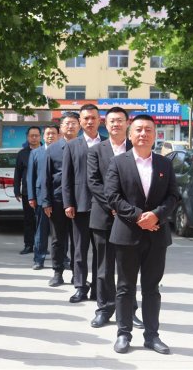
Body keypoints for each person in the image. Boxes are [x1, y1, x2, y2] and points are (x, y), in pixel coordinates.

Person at [105, 114, 179, 355]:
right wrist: (139, 217)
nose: (143, 134)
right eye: (138, 129)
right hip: (127, 234)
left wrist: (156, 215)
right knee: (125, 287)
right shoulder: (118, 162)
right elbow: (112, 196)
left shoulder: (164, 163)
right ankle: (123, 334)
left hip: (157, 236)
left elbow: (174, 196)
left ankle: (152, 336)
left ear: (155, 135)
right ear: (130, 134)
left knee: (152, 288)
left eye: (148, 129)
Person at [87, 106, 144, 330]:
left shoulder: (136, 147)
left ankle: (129, 311)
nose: (116, 124)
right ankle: (104, 309)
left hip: (129, 218)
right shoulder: (96, 150)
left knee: (128, 268)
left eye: (120, 120)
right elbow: (93, 182)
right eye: (112, 121)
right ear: (106, 123)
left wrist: (125, 210)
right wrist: (113, 206)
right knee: (104, 268)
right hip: (103, 216)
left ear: (127, 123)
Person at [62, 103, 104, 303]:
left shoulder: (107, 144)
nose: (89, 121)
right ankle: (80, 286)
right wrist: (68, 203)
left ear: (99, 120)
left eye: (93, 118)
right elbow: (66, 177)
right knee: (79, 249)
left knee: (100, 250)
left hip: (102, 206)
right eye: (86, 118)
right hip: (79, 205)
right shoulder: (72, 145)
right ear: (80, 121)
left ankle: (98, 288)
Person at [41, 112, 79, 287]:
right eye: (67, 123)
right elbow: (46, 177)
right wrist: (46, 201)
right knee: (58, 239)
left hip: (80, 201)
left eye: (73, 123)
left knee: (78, 240)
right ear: (61, 127)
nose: (70, 126)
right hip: (57, 201)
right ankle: (57, 272)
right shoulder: (53, 149)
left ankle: (77, 274)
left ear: (79, 126)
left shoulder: (85, 147)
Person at [27, 125, 59, 270]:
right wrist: (31, 197)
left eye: (53, 133)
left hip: (59, 196)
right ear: (43, 136)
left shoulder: (63, 150)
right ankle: (38, 259)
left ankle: (62, 258)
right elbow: (31, 176)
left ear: (58, 135)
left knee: (60, 231)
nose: (51, 136)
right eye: (48, 133)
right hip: (40, 197)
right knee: (41, 230)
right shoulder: (36, 153)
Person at [14, 126, 42, 254]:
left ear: (40, 136)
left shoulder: (46, 151)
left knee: (42, 221)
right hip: (27, 192)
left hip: (44, 191)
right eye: (32, 136)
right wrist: (17, 190)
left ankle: (41, 246)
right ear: (27, 137)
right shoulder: (22, 154)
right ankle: (29, 245)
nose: (34, 138)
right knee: (29, 219)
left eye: (36, 135)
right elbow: (18, 174)